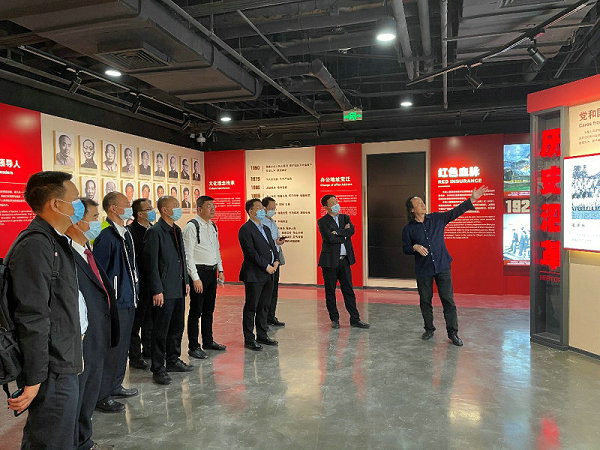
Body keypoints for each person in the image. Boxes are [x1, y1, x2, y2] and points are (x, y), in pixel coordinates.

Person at [7, 171, 84, 448]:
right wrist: (35, 377)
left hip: (63, 359)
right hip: (52, 368)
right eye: (75, 200)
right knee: (51, 439)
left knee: (59, 436)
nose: (78, 207)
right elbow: (32, 316)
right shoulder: (36, 245)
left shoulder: (53, 240)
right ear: (55, 204)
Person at [402, 186, 489, 346]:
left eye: (422, 202)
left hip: (442, 266)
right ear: (412, 210)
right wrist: (414, 247)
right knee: (425, 301)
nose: (423, 205)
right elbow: (405, 248)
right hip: (423, 270)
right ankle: (429, 329)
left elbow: (454, 212)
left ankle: (453, 333)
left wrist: (472, 199)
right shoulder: (408, 229)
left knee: (448, 300)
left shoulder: (436, 218)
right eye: (419, 204)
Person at [66, 197, 119, 450]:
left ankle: (84, 441)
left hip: (98, 334)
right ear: (77, 221)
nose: (99, 222)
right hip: (82, 339)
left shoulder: (86, 250)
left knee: (89, 394)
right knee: (76, 397)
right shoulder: (67, 256)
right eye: (94, 218)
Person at [93, 192, 139, 412]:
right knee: (112, 349)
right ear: (113, 208)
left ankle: (115, 385)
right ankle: (103, 394)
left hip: (129, 298)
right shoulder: (106, 235)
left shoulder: (125, 232)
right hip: (116, 301)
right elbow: (100, 272)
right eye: (126, 204)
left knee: (123, 346)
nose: (129, 207)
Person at [144, 196, 192, 385]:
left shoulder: (176, 230)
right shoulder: (155, 232)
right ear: (164, 210)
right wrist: (157, 289)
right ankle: (158, 368)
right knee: (160, 330)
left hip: (178, 287)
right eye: (175, 206)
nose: (178, 209)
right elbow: (151, 264)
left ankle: (173, 359)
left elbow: (182, 258)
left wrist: (186, 280)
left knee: (177, 327)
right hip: (164, 290)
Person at [183, 195, 226, 360]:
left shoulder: (212, 225)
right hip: (199, 273)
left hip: (212, 272)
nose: (213, 209)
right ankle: (194, 346)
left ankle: (208, 341)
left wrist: (220, 269)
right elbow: (188, 255)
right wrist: (195, 278)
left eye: (213, 206)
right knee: (196, 310)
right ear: (199, 208)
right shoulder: (192, 227)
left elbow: (216, 249)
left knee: (209, 309)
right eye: (209, 206)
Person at [318, 195, 370, 329]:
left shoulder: (345, 217)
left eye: (336, 201)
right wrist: (344, 234)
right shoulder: (322, 221)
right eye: (332, 203)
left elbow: (351, 231)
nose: (336, 204)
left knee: (348, 290)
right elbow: (329, 238)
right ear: (326, 207)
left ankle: (355, 319)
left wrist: (337, 233)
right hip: (329, 262)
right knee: (330, 291)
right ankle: (334, 319)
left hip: (344, 260)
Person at [238, 198, 280, 351]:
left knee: (264, 306)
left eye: (263, 207)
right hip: (254, 274)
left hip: (269, 273)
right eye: (259, 208)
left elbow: (273, 247)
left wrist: (276, 261)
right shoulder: (245, 229)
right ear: (251, 211)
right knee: (252, 307)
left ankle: (262, 334)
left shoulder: (266, 228)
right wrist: (266, 266)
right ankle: (249, 339)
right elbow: (251, 253)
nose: (263, 210)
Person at [127, 199, 156, 370]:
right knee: (136, 322)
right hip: (139, 284)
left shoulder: (153, 229)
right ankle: (135, 356)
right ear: (139, 213)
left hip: (153, 283)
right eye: (148, 209)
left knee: (150, 320)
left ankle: (149, 350)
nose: (152, 211)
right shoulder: (131, 232)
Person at [261, 196, 286, 327]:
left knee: (274, 289)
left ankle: (271, 316)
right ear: (264, 208)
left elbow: (274, 239)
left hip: (275, 258)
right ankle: (263, 318)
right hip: (266, 260)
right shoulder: (261, 222)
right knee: (266, 291)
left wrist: (278, 241)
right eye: (271, 208)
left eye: (274, 208)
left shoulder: (272, 221)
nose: (273, 210)